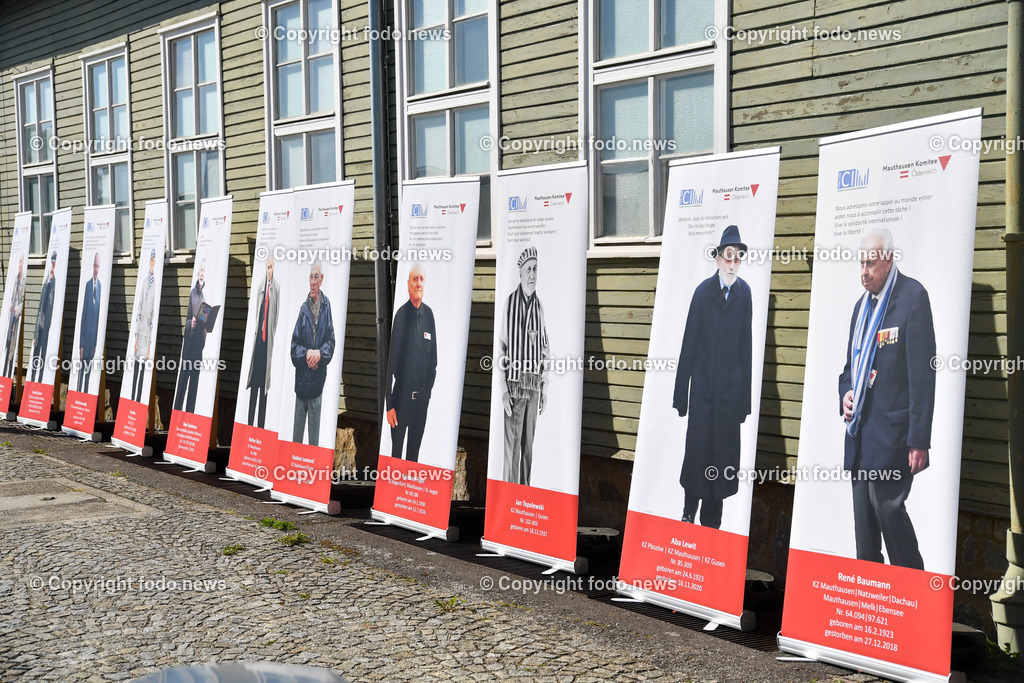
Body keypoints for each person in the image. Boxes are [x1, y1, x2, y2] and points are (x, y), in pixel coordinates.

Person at [839, 229, 935, 570]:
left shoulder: (912, 298)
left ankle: (913, 595)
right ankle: (872, 606)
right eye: (861, 262)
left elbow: (923, 378)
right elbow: (849, 370)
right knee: (865, 534)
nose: (864, 270)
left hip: (893, 438)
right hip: (860, 436)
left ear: (890, 260)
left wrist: (919, 441)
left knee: (890, 515)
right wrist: (846, 393)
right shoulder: (860, 308)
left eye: (871, 263)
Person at [673, 225, 753, 529]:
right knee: (698, 453)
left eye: (737, 258)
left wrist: (743, 401)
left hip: (729, 397)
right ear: (718, 258)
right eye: (728, 256)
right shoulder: (703, 293)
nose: (732, 263)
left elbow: (746, 348)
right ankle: (687, 512)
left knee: (721, 459)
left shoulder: (744, 294)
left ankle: (712, 524)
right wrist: (681, 395)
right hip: (704, 391)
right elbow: (688, 345)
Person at [500, 246, 549, 486]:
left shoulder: (539, 306)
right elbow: (501, 348)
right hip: (515, 385)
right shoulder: (510, 303)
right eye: (528, 269)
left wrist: (544, 388)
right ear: (520, 273)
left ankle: (524, 494)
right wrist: (502, 389)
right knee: (512, 449)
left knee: (528, 447)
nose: (532, 274)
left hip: (533, 387)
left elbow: (545, 349)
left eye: (535, 269)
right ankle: (508, 496)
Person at [385, 265, 437, 462]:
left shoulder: (429, 316)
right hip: (400, 402)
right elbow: (390, 367)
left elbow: (433, 361)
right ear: (408, 284)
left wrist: (427, 394)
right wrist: (390, 406)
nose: (419, 283)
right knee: (396, 457)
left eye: (422, 279)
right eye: (415, 279)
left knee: (413, 459)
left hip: (420, 404)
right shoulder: (401, 316)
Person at [290, 260, 335, 446]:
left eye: (316, 277)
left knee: (313, 441)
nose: (313, 281)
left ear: (322, 279)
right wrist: (308, 354)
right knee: (297, 439)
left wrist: (320, 354)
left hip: (317, 384)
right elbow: (294, 347)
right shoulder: (303, 309)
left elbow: (331, 342)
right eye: (311, 277)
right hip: (301, 383)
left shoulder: (326, 306)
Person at [246, 252, 279, 428]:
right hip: (258, 342)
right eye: (267, 267)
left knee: (264, 388)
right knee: (254, 385)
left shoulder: (277, 288)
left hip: (268, 344)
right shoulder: (260, 286)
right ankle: (249, 423)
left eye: (271, 267)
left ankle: (260, 425)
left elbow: (277, 316)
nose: (269, 271)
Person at [174, 259, 208, 413]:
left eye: (204, 272)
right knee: (183, 383)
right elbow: (186, 320)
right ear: (197, 273)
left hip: (198, 347)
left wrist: (205, 328)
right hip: (189, 347)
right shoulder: (192, 294)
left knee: (194, 383)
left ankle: (189, 415)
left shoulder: (203, 297)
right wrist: (191, 324)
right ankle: (177, 414)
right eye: (200, 271)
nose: (202, 274)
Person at [131, 249, 158, 403]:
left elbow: (153, 313)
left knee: (142, 366)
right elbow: (139, 307)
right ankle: (133, 397)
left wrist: (149, 344)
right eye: (151, 260)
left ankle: (140, 399)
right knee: (136, 366)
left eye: (155, 260)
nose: (153, 263)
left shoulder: (155, 283)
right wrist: (135, 336)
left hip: (147, 331)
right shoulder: (144, 281)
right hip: (140, 330)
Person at [30, 251, 57, 383]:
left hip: (47, 325)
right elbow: (41, 305)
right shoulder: (46, 280)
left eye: (54, 262)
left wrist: (51, 285)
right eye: (51, 262)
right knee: (36, 352)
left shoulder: (55, 282)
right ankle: (32, 378)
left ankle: (40, 380)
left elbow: (52, 302)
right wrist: (35, 333)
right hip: (40, 324)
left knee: (43, 353)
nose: (52, 265)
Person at [78, 253, 102, 393]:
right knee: (81, 371)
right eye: (94, 266)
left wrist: (95, 345)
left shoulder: (100, 286)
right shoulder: (88, 285)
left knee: (88, 372)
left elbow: (98, 317)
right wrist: (81, 344)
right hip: (85, 339)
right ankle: (79, 392)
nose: (96, 269)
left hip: (92, 341)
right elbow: (83, 316)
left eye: (98, 266)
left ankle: (85, 393)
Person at [3, 255, 26, 378]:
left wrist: (17, 309)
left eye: (21, 263)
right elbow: (12, 297)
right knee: (7, 342)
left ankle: (9, 370)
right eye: (18, 264)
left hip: (17, 316)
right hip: (10, 315)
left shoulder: (23, 280)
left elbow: (22, 301)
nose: (19, 266)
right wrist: (11, 305)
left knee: (12, 344)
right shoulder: (15, 279)